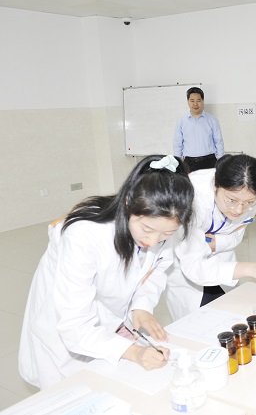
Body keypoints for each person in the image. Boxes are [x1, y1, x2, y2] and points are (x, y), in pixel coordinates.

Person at [18, 155, 194, 389]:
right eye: (147, 229)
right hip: (64, 325)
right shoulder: (86, 235)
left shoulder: (161, 223)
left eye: (166, 234)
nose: (153, 241)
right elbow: (75, 326)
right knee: (68, 392)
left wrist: (141, 307)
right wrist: (134, 352)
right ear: (129, 202)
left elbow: (157, 269)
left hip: (106, 317)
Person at [166, 154, 256, 320]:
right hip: (187, 275)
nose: (239, 210)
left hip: (223, 263)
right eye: (232, 200)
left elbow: (236, 237)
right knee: (200, 323)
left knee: (233, 315)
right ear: (215, 185)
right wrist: (251, 269)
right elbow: (194, 266)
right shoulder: (191, 198)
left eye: (248, 203)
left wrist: (216, 243)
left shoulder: (249, 195)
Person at [173, 86, 225, 172]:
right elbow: (178, 144)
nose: (195, 104)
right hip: (189, 163)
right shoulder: (181, 121)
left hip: (210, 161)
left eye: (198, 100)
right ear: (188, 102)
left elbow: (218, 142)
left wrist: (220, 161)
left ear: (203, 101)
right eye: (192, 101)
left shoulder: (212, 120)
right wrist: (178, 163)